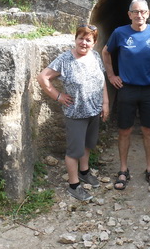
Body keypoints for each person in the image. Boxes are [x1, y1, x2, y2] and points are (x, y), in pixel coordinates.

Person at [102, 0, 150, 192]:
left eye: (142, 12)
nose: (139, 15)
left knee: (149, 131)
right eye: (135, 12)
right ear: (129, 14)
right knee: (124, 130)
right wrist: (111, 75)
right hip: (127, 88)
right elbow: (106, 52)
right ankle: (123, 170)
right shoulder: (120, 33)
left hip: (149, 89)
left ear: (148, 13)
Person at [37, 24, 109, 201]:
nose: (84, 43)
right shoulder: (65, 59)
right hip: (75, 113)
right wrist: (58, 95)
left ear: (94, 43)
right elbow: (43, 77)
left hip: (94, 110)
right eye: (81, 39)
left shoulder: (95, 56)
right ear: (75, 39)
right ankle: (74, 185)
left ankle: (84, 172)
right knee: (73, 151)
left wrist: (105, 103)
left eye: (88, 40)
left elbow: (102, 81)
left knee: (87, 144)